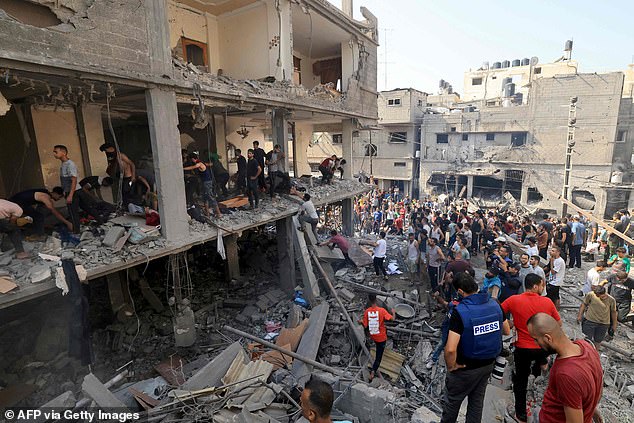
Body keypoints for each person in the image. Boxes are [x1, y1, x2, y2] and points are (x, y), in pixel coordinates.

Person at [441, 273, 508, 423]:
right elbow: (507, 330)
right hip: (487, 365)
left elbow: (450, 349)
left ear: (460, 292)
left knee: (452, 403)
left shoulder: (460, 312)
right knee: (476, 402)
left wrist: (452, 366)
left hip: (464, 368)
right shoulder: (495, 304)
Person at [501, 273, 561, 423]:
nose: (543, 288)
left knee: (520, 380)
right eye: (542, 285)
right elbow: (558, 324)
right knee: (539, 374)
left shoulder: (514, 300)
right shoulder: (547, 302)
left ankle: (521, 414)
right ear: (535, 286)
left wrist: (510, 323)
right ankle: (541, 372)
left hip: (522, 348)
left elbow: (498, 312)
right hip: (542, 347)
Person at [527, 313, 603, 423]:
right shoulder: (586, 347)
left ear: (548, 338)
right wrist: (591, 409)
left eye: (536, 339)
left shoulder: (566, 374)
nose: (535, 343)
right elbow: (595, 383)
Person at [360, 293, 394, 381]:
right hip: (381, 338)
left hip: (373, 336)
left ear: (369, 300)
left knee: (377, 343)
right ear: (376, 299)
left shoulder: (367, 311)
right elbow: (392, 319)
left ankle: (373, 346)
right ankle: (373, 372)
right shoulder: (382, 310)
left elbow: (365, 324)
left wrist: (360, 321)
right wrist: (393, 313)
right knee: (379, 356)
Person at [9, 188, 73, 235]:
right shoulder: (45, 197)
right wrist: (67, 223)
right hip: (16, 203)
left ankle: (37, 232)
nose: (59, 199)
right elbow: (55, 212)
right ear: (55, 193)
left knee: (38, 216)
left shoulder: (45, 192)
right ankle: (38, 235)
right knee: (39, 217)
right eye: (60, 196)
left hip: (22, 203)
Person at [577, 284, 617, 349]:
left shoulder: (611, 300)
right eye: (597, 295)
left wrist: (614, 325)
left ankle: (595, 355)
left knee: (598, 341)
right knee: (586, 339)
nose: (598, 297)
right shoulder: (591, 295)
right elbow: (584, 304)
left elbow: (613, 312)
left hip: (603, 324)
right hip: (590, 321)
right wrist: (579, 315)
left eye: (600, 296)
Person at [183, 152, 221, 218]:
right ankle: (207, 213)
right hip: (204, 182)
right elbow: (209, 164)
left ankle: (219, 213)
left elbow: (192, 167)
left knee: (210, 197)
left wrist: (182, 168)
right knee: (205, 197)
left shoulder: (199, 164)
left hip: (207, 182)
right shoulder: (202, 162)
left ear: (192, 159)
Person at [53, 145, 81, 233]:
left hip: (73, 191)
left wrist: (70, 195)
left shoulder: (70, 164)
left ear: (64, 153)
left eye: (56, 152)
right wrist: (65, 191)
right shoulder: (63, 164)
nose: (54, 154)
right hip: (69, 191)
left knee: (73, 212)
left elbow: (74, 180)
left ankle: (76, 231)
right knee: (84, 208)